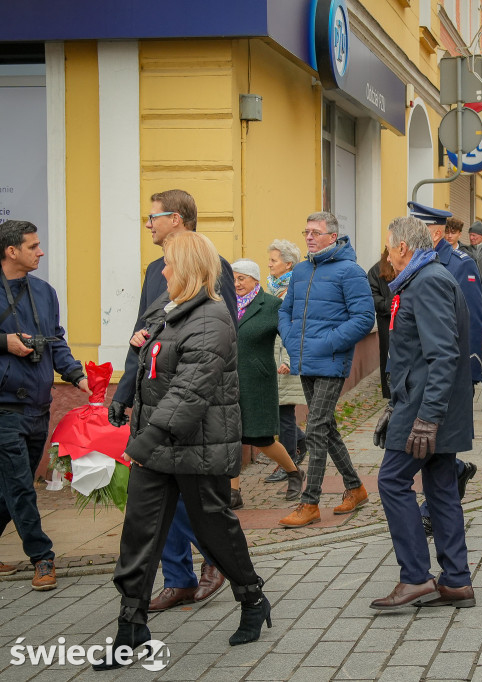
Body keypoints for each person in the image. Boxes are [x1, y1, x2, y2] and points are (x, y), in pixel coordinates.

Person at [97, 232, 269, 670]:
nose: (163, 272)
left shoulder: (212, 319)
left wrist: (143, 442)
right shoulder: (167, 310)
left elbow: (189, 393)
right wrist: (128, 382)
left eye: (169, 266)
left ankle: (252, 598)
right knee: (139, 535)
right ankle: (129, 627)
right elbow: (149, 363)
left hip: (196, 445)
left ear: (188, 270)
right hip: (156, 446)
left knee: (215, 530)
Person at [107, 189, 235, 612]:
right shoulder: (153, 269)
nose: (148, 224)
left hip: (194, 409)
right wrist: (125, 391)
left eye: (153, 217)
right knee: (158, 495)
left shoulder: (216, 266)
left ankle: (224, 566)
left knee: (197, 502)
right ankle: (177, 578)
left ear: (176, 219)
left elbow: (219, 342)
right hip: (152, 401)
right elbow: (142, 334)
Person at [369, 216, 475, 611]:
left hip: (426, 411)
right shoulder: (425, 277)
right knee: (441, 489)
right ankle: (456, 582)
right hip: (425, 406)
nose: (387, 256)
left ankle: (415, 577)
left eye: (388, 247)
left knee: (392, 482)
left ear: (402, 248)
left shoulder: (428, 280)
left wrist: (425, 418)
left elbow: (442, 355)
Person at [0, 220, 88, 591]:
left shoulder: (45, 291)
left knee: (9, 490)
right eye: (33, 246)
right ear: (11, 251)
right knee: (21, 485)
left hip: (39, 405)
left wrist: (79, 377)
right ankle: (42, 557)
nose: (40, 252)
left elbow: (56, 343)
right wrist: (6, 343)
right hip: (4, 407)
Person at [277, 212, 375, 528]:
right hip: (305, 359)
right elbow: (285, 311)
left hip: (331, 361)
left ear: (333, 237)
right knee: (327, 426)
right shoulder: (302, 270)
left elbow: (363, 319)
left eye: (316, 232)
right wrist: (292, 340)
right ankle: (355, 488)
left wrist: (328, 343)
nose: (309, 237)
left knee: (317, 427)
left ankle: (310, 503)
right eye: (306, 231)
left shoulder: (351, 272)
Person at [407, 203, 481, 532]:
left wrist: (473, 369)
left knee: (438, 439)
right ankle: (456, 474)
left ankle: (432, 509)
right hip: (423, 371)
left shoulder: (458, 264)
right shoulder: (415, 262)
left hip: (450, 370)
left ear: (436, 233)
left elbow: (473, 320)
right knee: (436, 445)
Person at [228, 259, 304, 506]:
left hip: (258, 382)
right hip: (228, 380)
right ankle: (234, 493)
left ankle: (294, 472)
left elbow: (291, 335)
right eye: (234, 278)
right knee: (231, 436)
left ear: (255, 280)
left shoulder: (271, 305)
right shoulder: (226, 305)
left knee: (262, 439)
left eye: (242, 278)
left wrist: (293, 360)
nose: (237, 283)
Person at [265, 239, 307, 485]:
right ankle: (300, 441)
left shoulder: (294, 290)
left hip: (286, 359)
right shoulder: (273, 287)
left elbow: (297, 328)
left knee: (284, 412)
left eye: (274, 260)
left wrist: (291, 360)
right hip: (274, 357)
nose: (269, 264)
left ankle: (288, 463)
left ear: (288, 264)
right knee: (279, 410)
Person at [367, 248, 396, 399]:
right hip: (387, 322)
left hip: (408, 321)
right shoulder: (376, 270)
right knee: (388, 358)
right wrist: (389, 304)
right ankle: (390, 394)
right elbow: (370, 296)